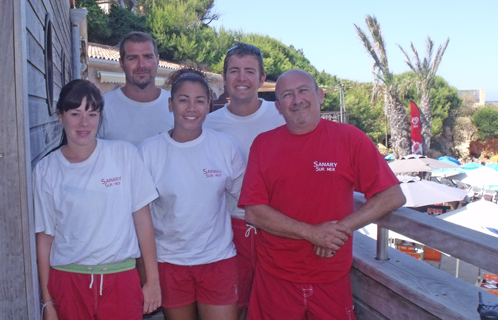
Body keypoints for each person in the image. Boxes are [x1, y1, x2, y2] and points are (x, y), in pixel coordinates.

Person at [238, 69, 406, 320]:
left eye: (303, 90)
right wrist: (313, 234)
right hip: (275, 276)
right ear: (278, 107)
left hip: (332, 275)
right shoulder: (263, 144)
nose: (297, 100)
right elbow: (254, 212)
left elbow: (392, 195)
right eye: (287, 95)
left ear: (321, 95)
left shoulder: (351, 139)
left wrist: (339, 231)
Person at [34, 79, 161, 320]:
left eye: (92, 114)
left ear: (100, 117)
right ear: (60, 116)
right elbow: (45, 237)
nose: (84, 122)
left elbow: (143, 221)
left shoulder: (124, 155)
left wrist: (153, 280)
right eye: (75, 113)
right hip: (68, 282)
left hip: (121, 280)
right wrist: (47, 301)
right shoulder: (45, 169)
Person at [138, 68, 246, 320]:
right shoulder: (149, 151)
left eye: (199, 101)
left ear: (209, 106)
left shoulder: (225, 147)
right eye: (183, 99)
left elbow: (246, 201)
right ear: (170, 104)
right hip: (170, 262)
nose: (191, 108)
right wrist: (147, 273)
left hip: (218, 260)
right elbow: (140, 218)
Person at [203, 43, 285, 318]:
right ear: (224, 77)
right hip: (227, 231)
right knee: (232, 308)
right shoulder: (207, 123)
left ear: (262, 79)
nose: (241, 78)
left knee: (274, 308)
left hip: (277, 229)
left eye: (249, 71)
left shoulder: (282, 116)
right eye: (234, 71)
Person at [99, 31, 173, 146]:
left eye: (148, 57)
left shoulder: (177, 107)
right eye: (132, 58)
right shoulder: (102, 108)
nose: (141, 65)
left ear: (157, 60)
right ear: (121, 63)